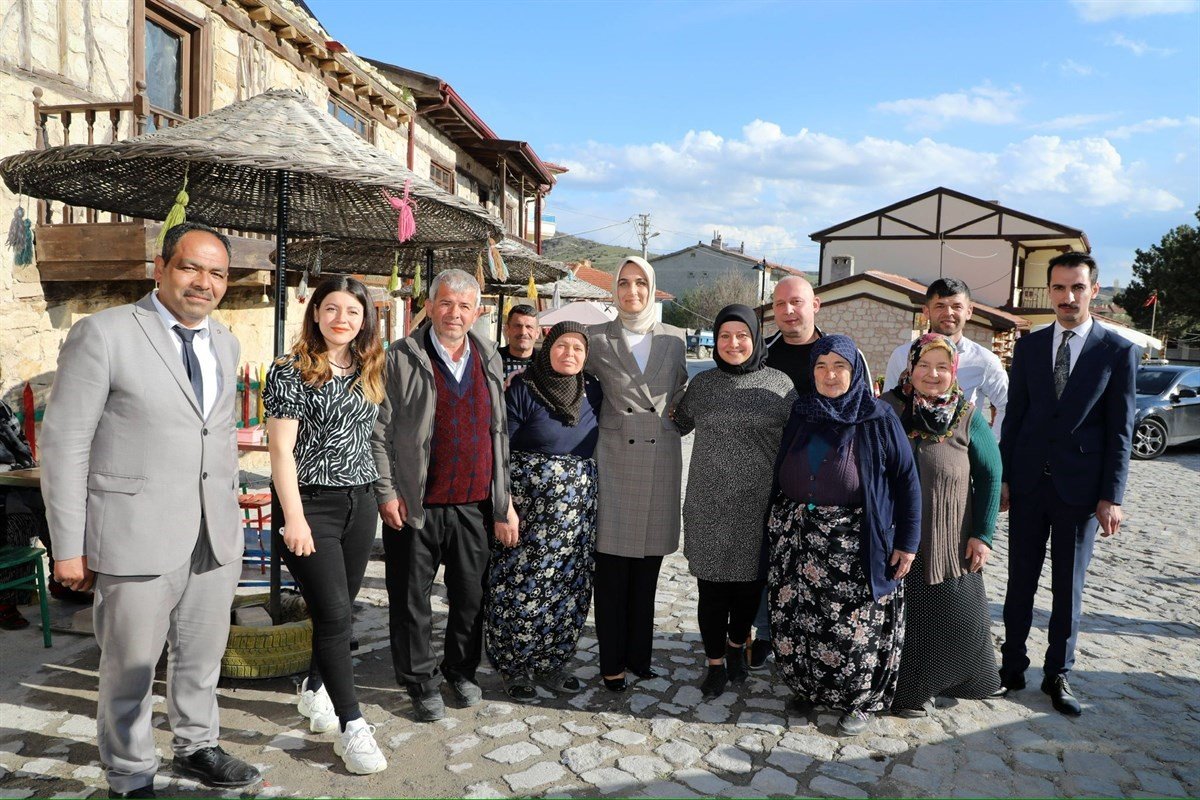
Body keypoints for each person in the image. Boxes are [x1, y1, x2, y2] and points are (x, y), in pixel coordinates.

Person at [39, 222, 260, 798]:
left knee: (202, 655)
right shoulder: (104, 334)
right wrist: (68, 546)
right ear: (160, 268)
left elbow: (214, 435)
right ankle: (131, 772)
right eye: (190, 267)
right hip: (134, 535)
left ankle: (197, 745)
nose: (203, 282)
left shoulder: (226, 342)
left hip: (214, 535)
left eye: (216, 272)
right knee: (129, 667)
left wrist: (235, 498)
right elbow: (65, 445)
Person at [371, 268, 517, 722]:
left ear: (478, 312)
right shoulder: (400, 357)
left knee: (470, 596)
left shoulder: (489, 357)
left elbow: (499, 434)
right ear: (429, 306)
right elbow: (378, 432)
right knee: (411, 597)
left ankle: (461, 670)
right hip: (416, 504)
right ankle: (418, 680)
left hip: (473, 504)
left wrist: (503, 500)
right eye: (447, 303)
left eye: (465, 306)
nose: (455, 313)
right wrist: (386, 492)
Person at [997, 252, 1137, 716]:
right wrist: (1004, 478)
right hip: (1029, 484)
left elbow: (1120, 429)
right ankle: (1011, 665)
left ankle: (1058, 673)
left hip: (1080, 493)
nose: (1067, 297)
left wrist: (1111, 496)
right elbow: (1014, 416)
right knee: (1019, 581)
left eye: (1077, 287)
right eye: (1058, 288)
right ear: (1050, 292)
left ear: (1093, 290)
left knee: (1067, 587)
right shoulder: (1031, 347)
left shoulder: (1116, 352)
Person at [767, 334, 920, 737]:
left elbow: (907, 481)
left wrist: (907, 543)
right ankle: (808, 688)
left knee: (854, 626)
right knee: (799, 619)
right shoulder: (802, 412)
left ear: (855, 372)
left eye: (839, 366)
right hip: (799, 538)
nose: (829, 374)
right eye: (820, 366)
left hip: (855, 543)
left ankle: (860, 702)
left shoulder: (878, 417)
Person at [263, 276, 387, 774]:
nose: (342, 318)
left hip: (361, 504)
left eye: (353, 312)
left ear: (364, 320)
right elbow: (279, 452)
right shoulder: (290, 371)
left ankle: (314, 689)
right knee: (336, 616)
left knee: (336, 609)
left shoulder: (368, 368)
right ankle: (352, 727)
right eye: (332, 309)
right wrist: (293, 517)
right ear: (315, 314)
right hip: (311, 506)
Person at [673, 305, 795, 698]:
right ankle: (713, 665)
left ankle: (737, 649)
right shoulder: (703, 385)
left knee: (747, 589)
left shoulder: (780, 385)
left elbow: (798, 440)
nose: (733, 343)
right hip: (706, 502)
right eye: (724, 336)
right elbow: (677, 423)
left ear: (756, 338)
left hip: (757, 504)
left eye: (742, 335)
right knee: (711, 590)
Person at [883, 333, 1003, 717]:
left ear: (953, 371)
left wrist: (982, 535)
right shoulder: (887, 409)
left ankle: (962, 681)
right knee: (907, 619)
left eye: (941, 366)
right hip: (895, 534)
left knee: (956, 614)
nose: (932, 374)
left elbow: (990, 475)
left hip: (950, 536)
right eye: (923, 365)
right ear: (910, 368)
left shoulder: (966, 415)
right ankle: (909, 692)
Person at [485, 321, 602, 701]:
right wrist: (504, 509)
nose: (570, 354)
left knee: (568, 589)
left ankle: (553, 661)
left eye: (578, 348)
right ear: (547, 347)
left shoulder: (594, 391)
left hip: (575, 518)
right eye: (562, 346)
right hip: (527, 514)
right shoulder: (522, 388)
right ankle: (514, 665)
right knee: (518, 588)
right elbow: (498, 450)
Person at [585, 256, 687, 692]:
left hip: (660, 458)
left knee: (647, 571)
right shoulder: (594, 339)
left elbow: (683, 398)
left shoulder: (676, 340)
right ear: (614, 290)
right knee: (611, 571)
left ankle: (639, 657)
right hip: (613, 461)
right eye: (624, 283)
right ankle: (612, 662)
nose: (632, 291)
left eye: (641, 283)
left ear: (652, 288)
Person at [883, 278, 1008, 439]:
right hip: (907, 452)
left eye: (956, 306)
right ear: (926, 311)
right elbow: (887, 407)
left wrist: (990, 442)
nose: (948, 313)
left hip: (961, 457)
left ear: (969, 311)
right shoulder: (902, 355)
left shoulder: (985, 360)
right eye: (940, 306)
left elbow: (1007, 406)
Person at [499, 304, 539, 378]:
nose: (523, 332)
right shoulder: (492, 362)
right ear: (507, 329)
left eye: (529, 327)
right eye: (517, 326)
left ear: (537, 333)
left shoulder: (546, 364)